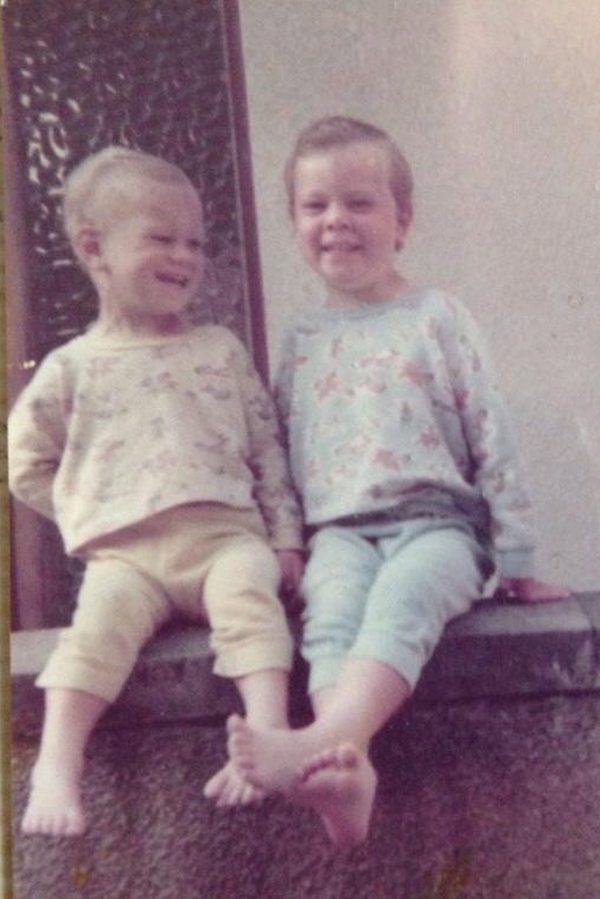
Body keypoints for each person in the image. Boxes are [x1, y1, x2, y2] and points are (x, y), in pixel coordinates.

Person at [227, 116, 569, 847]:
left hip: (438, 525)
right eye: (316, 205)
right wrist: (288, 545)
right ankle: (346, 777)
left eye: (359, 201)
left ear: (401, 220)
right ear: (294, 223)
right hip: (340, 533)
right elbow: (282, 456)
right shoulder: (301, 339)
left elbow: (492, 433)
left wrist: (515, 558)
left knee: (405, 598)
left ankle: (322, 738)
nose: (336, 220)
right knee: (331, 614)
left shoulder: (436, 317)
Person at [8, 146, 304, 837]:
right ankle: (58, 762)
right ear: (93, 248)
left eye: (195, 242)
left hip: (225, 539)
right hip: (127, 561)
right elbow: (24, 463)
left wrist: (285, 534)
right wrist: (89, 510)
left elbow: (267, 449)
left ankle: (268, 736)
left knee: (251, 603)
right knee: (91, 636)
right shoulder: (70, 368)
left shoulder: (219, 349)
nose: (185, 255)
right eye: (161, 238)